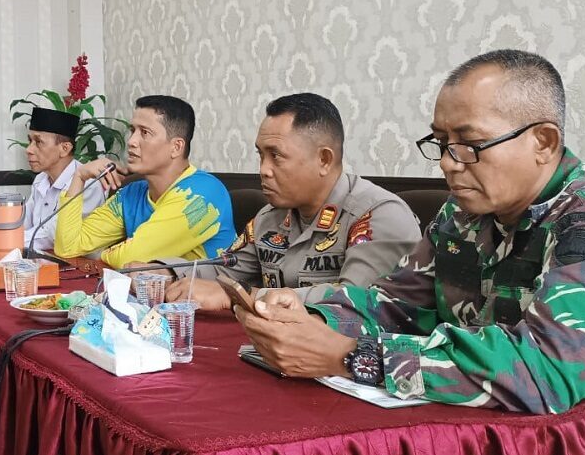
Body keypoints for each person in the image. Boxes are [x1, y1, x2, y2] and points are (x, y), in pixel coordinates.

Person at [234, 50, 585, 455]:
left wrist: (349, 356)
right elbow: (394, 305)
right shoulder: (461, 215)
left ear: (543, 142)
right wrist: (310, 318)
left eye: (469, 144)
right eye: (441, 142)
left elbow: (543, 371)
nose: (448, 162)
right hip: (481, 435)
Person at [168, 93, 420, 307]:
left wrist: (245, 296)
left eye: (276, 156)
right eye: (261, 155)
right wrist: (166, 272)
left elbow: (354, 303)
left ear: (324, 160)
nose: (263, 170)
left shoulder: (379, 215)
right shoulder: (269, 218)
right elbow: (224, 271)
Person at [53, 95, 235, 269]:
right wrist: (79, 176)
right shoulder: (132, 193)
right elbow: (67, 248)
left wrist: (102, 255)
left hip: (208, 289)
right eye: (133, 131)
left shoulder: (202, 194)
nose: (131, 141)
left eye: (145, 132)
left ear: (176, 147)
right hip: (151, 289)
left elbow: (128, 259)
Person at [0, 107, 105, 251]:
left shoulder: (87, 184)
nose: (29, 149)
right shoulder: (41, 179)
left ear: (64, 148)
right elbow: (22, 224)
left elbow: (51, 237)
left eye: (38, 142)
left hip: (80, 267)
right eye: (30, 141)